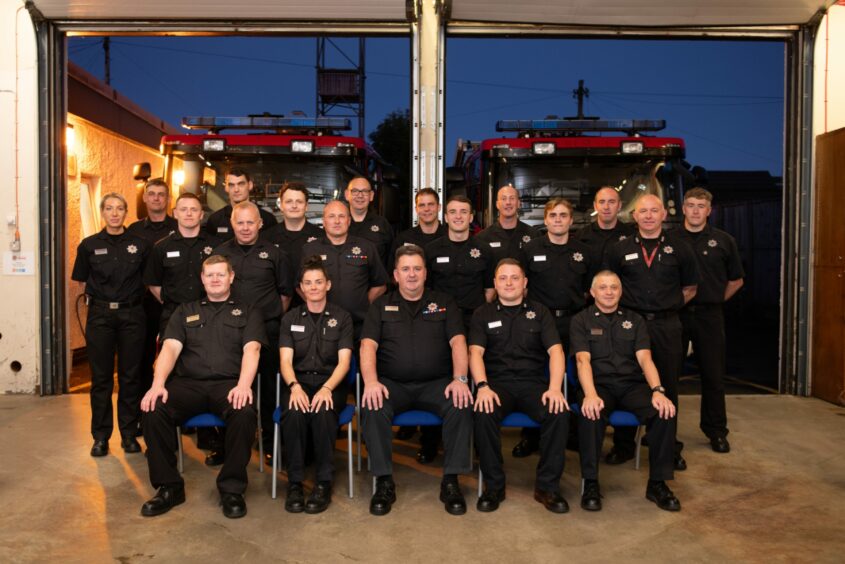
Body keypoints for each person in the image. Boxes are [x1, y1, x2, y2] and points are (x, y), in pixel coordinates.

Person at [139, 255, 266, 519]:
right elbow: (170, 348)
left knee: (243, 413)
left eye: (221, 274)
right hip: (188, 385)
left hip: (228, 385)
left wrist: (244, 386)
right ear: (202, 278)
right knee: (154, 409)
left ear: (231, 277)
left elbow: (252, 349)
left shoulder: (248, 310)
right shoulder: (185, 310)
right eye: (210, 275)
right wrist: (157, 385)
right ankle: (169, 487)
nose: (216, 279)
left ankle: (232, 489)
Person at [360, 245, 473, 516]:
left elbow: (458, 341)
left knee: (460, 405)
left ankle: (451, 480)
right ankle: (384, 481)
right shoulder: (380, 305)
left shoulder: (444, 302)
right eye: (406, 269)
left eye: (417, 269)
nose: (412, 275)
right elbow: (367, 346)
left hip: (436, 384)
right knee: (373, 407)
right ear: (396, 275)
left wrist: (460, 379)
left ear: (425, 273)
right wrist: (372, 383)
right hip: (392, 384)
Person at [570, 270, 680, 512]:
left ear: (621, 291)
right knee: (591, 414)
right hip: (598, 385)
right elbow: (582, 361)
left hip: (632, 385)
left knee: (664, 412)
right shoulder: (581, 320)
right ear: (592, 292)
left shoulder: (635, 320)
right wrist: (589, 394)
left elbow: (645, 359)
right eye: (603, 287)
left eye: (614, 287)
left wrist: (658, 391)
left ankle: (658, 484)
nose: (609, 292)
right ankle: (590, 483)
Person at [605, 194, 699, 470]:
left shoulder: (680, 249)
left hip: (667, 326)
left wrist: (666, 308)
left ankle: (668, 448)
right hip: (628, 325)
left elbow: (690, 288)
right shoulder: (618, 248)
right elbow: (607, 286)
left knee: (667, 386)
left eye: (653, 210)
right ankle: (623, 446)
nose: (647, 215)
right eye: (642, 211)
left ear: (663, 215)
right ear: (633, 216)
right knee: (626, 381)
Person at [469, 259, 570, 513]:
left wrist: (555, 388)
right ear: (494, 283)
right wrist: (482, 386)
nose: (509, 283)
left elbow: (556, 352)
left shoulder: (541, 312)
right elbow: (475, 353)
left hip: (533, 384)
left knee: (558, 412)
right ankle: (494, 486)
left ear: (525, 283)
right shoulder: (483, 313)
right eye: (503, 278)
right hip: (496, 385)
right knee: (483, 412)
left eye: (515, 278)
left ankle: (547, 487)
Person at [144, 192, 222, 464]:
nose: (189, 214)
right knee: (171, 372)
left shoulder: (216, 245)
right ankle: (169, 435)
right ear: (175, 213)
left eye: (194, 210)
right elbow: (154, 284)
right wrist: (174, 307)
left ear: (202, 215)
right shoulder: (161, 247)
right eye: (184, 209)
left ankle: (206, 434)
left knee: (204, 368)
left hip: (210, 318)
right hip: (174, 317)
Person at [72, 192, 150, 457]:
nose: (114, 213)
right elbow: (83, 283)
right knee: (102, 379)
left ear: (126, 212)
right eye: (109, 208)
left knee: (131, 377)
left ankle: (129, 434)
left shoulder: (140, 244)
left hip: (132, 316)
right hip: (101, 316)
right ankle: (101, 437)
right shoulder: (89, 245)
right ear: (102, 212)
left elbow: (148, 280)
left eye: (119, 208)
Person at [213, 202, 294, 456]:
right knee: (227, 387)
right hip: (229, 331)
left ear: (260, 224)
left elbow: (285, 294)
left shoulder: (275, 253)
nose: (245, 228)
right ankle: (227, 446)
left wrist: (264, 318)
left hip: (268, 331)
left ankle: (269, 443)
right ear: (232, 224)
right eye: (240, 222)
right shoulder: (220, 253)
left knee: (269, 390)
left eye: (251, 222)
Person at [278, 257, 354, 514]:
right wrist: (294, 387)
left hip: (330, 384)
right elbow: (285, 361)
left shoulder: (343, 318)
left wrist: (327, 389)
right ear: (300, 288)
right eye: (308, 283)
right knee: (294, 413)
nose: (313, 287)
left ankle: (323, 483)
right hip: (298, 382)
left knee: (323, 414)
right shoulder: (289, 319)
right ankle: (295, 483)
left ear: (328, 285)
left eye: (318, 282)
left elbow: (344, 363)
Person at [677, 187, 744, 453]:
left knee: (713, 376)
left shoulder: (724, 240)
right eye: (690, 205)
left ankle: (716, 431)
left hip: (709, 316)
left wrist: (715, 299)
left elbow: (737, 280)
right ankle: (662, 431)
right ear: (683, 208)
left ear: (709, 210)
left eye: (700, 206)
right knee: (667, 376)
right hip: (676, 315)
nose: (695, 210)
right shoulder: (669, 239)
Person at [301, 200, 388, 340]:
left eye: (341, 216)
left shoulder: (367, 247)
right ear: (323, 222)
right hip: (321, 324)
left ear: (349, 221)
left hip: (359, 325)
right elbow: (299, 285)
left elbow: (380, 284)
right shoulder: (310, 249)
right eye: (331, 216)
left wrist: (363, 303)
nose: (337, 221)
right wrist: (314, 303)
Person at [127, 179, 177, 402]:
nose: (157, 198)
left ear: (168, 199)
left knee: (178, 357)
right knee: (141, 359)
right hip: (142, 307)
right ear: (145, 197)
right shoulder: (133, 231)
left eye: (161, 194)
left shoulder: (179, 228)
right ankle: (143, 412)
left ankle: (175, 409)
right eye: (152, 194)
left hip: (174, 305)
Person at [425, 195, 496, 329]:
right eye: (453, 212)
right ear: (446, 217)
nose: (458, 216)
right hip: (439, 320)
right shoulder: (430, 250)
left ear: (471, 217)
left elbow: (490, 290)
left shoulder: (485, 250)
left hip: (475, 320)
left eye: (463, 212)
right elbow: (427, 288)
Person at [263, 181, 323, 282]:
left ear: (306, 206)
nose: (294, 206)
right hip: (277, 297)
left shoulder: (321, 237)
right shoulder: (267, 238)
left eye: (299, 201)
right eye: (289, 201)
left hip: (310, 297)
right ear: (281, 205)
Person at [474, 184, 539, 268]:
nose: (508, 202)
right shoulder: (482, 238)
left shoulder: (534, 235)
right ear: (497, 204)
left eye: (512, 198)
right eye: (504, 199)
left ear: (519, 203)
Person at [204, 168, 277, 240]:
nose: (236, 189)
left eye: (241, 184)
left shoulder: (267, 219)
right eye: (231, 185)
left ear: (250, 185)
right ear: (226, 188)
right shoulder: (215, 220)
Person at [388, 188, 447, 270]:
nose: (426, 209)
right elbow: (393, 274)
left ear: (439, 207)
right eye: (422, 205)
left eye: (431, 204)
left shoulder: (450, 237)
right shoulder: (402, 239)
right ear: (416, 209)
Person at [574, 186, 636, 264]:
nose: (606, 207)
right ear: (595, 206)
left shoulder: (631, 236)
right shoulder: (581, 237)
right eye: (602, 202)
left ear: (619, 205)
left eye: (611, 202)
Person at [345, 176, 394, 267]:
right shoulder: (339, 223)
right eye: (355, 191)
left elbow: (391, 258)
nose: (360, 195)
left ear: (371, 196)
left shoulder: (382, 224)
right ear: (347, 195)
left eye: (365, 191)